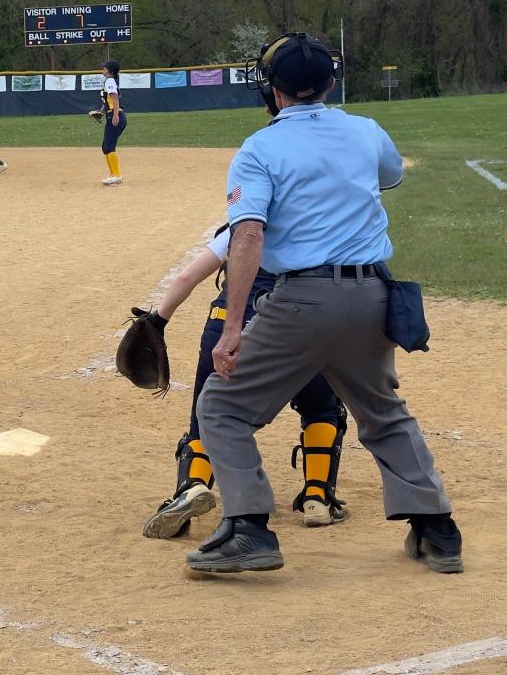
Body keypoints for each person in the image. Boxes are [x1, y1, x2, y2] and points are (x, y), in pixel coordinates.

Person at [186, 33, 462, 574]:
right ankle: (437, 530)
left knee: (220, 406)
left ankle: (248, 529)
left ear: (273, 91)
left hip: (303, 301)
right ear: (331, 84)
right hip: (372, 295)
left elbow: (246, 238)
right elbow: (391, 177)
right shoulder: (364, 130)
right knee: (383, 412)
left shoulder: (260, 148)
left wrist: (233, 326)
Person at [140, 223, 348, 539]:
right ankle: (317, 498)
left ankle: (193, 486)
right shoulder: (314, 224)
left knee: (205, 417)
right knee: (322, 408)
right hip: (296, 329)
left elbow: (186, 277)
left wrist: (157, 320)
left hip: (225, 330)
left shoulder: (243, 228)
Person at [98, 60, 126, 185]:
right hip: (112, 115)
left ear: (110, 71)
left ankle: (117, 175)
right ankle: (113, 174)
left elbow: (114, 99)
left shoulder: (110, 80)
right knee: (105, 147)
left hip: (116, 116)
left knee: (109, 146)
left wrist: (115, 115)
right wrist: (100, 112)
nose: (103, 69)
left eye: (105, 67)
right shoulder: (108, 81)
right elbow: (108, 102)